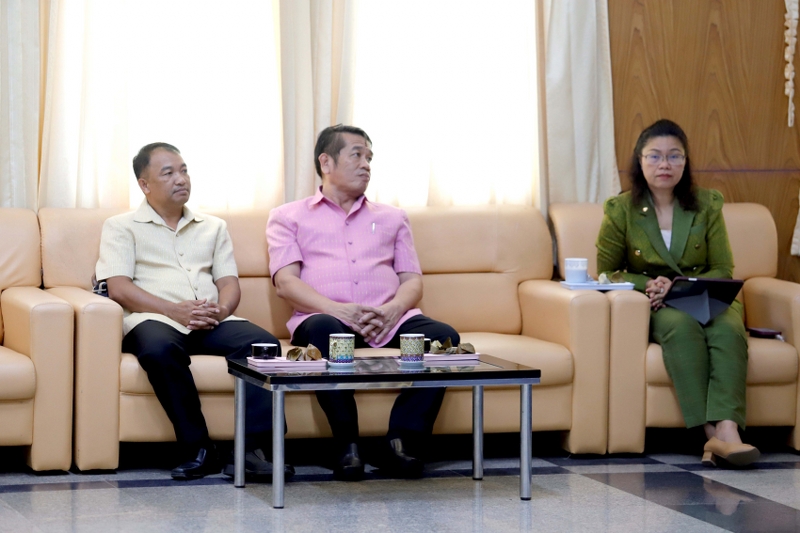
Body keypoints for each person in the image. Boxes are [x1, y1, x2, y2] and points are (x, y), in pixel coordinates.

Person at [267, 125, 460, 481]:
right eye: (356, 154)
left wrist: (392, 310)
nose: (366, 164)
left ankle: (400, 443)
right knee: (325, 330)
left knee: (444, 338)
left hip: (388, 319)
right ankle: (347, 446)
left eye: (369, 157)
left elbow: (412, 280)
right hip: (326, 318)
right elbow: (286, 282)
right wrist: (337, 309)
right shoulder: (287, 216)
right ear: (326, 162)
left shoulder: (393, 217)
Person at [96, 142, 293, 481]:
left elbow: (229, 283)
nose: (181, 179)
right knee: (159, 350)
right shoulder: (121, 226)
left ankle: (252, 451)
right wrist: (174, 311)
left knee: (263, 345)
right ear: (144, 184)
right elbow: (119, 288)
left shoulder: (213, 227)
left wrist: (221, 310)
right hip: (154, 318)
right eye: (168, 173)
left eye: (184, 170)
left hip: (209, 320)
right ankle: (198, 448)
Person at [596, 119, 757, 467]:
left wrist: (680, 285)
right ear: (640, 161)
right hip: (659, 304)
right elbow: (607, 271)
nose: (664, 164)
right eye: (654, 156)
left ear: (685, 161)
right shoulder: (621, 209)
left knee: (729, 330)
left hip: (705, 295)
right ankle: (710, 434)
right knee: (682, 329)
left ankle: (728, 429)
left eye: (674, 156)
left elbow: (723, 268)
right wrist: (649, 284)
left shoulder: (707, 204)